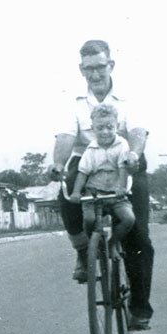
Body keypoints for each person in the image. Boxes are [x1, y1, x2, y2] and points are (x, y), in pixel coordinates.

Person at [50, 39, 154, 330]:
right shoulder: (73, 102)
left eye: (100, 67)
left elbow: (137, 132)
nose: (95, 75)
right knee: (67, 186)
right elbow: (65, 138)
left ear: (111, 65)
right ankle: (84, 251)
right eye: (88, 69)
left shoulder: (129, 99)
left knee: (139, 239)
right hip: (90, 165)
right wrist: (58, 164)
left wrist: (133, 154)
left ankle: (140, 309)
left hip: (126, 166)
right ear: (81, 70)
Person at [69, 103, 136, 247]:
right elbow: (83, 172)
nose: (105, 132)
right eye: (100, 128)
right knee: (88, 220)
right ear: (93, 128)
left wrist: (121, 188)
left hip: (115, 193)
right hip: (94, 193)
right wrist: (75, 192)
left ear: (117, 126)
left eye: (110, 127)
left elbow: (123, 168)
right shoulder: (91, 149)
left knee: (128, 219)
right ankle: (93, 245)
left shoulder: (121, 145)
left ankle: (113, 242)